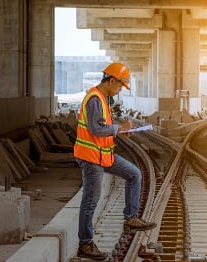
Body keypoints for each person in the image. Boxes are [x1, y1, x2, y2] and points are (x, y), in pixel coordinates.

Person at [73, 62, 156, 260]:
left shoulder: (103, 98)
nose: (119, 90)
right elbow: (96, 129)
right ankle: (85, 244)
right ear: (111, 80)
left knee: (134, 174)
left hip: (104, 154)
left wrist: (120, 132)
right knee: (90, 201)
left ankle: (131, 219)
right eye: (120, 86)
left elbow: (103, 129)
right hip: (91, 158)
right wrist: (119, 128)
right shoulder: (95, 99)